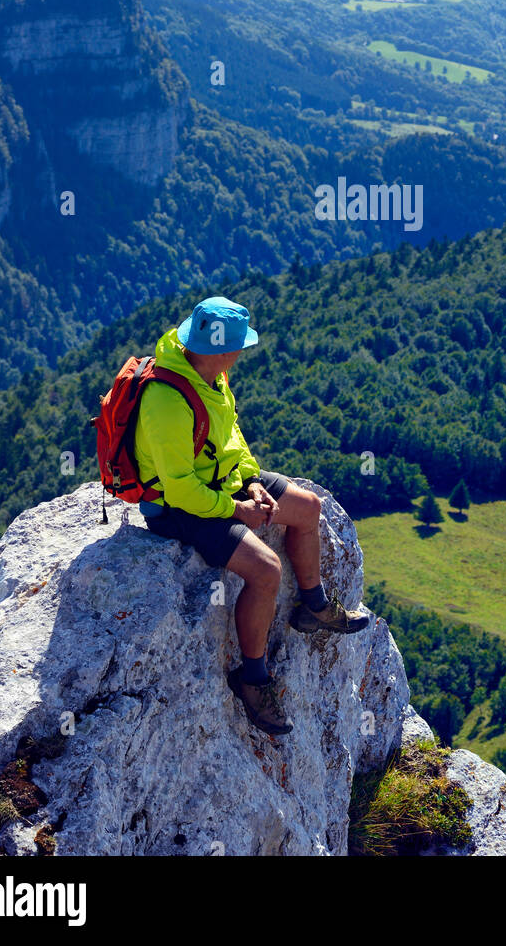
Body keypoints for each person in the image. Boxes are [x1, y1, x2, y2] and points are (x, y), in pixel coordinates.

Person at [134, 296, 369, 736]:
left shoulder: (211, 376)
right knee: (265, 571)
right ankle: (253, 678)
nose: (242, 355)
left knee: (307, 508)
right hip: (177, 505)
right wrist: (236, 509)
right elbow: (182, 487)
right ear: (223, 350)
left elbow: (231, 436)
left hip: (221, 479)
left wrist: (251, 480)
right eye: (240, 347)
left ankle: (314, 607)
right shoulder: (166, 399)